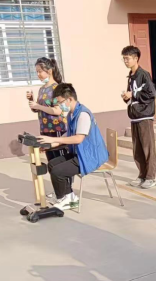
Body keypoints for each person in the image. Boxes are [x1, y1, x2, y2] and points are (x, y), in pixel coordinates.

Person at [38, 83, 109, 211]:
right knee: (52, 164)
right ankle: (70, 197)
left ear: (69, 99)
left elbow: (78, 138)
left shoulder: (83, 114)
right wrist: (49, 145)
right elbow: (68, 136)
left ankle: (64, 199)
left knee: (58, 172)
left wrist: (53, 139)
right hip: (81, 153)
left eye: (60, 102)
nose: (59, 106)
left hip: (90, 156)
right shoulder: (72, 114)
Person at [121, 46, 156, 190]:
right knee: (138, 149)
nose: (125, 61)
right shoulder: (131, 76)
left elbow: (151, 94)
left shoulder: (143, 74)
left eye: (127, 58)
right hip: (134, 116)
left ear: (136, 58)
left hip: (144, 116)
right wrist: (126, 97)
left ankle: (151, 177)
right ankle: (142, 175)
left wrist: (133, 95)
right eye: (124, 58)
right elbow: (132, 95)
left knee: (148, 148)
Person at [27, 57, 66, 162]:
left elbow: (58, 111)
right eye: (36, 72)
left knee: (60, 160)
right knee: (51, 161)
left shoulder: (57, 88)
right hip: (45, 129)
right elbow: (38, 109)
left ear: (49, 71)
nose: (38, 74)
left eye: (40, 71)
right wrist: (32, 101)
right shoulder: (42, 89)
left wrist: (38, 106)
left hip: (57, 129)